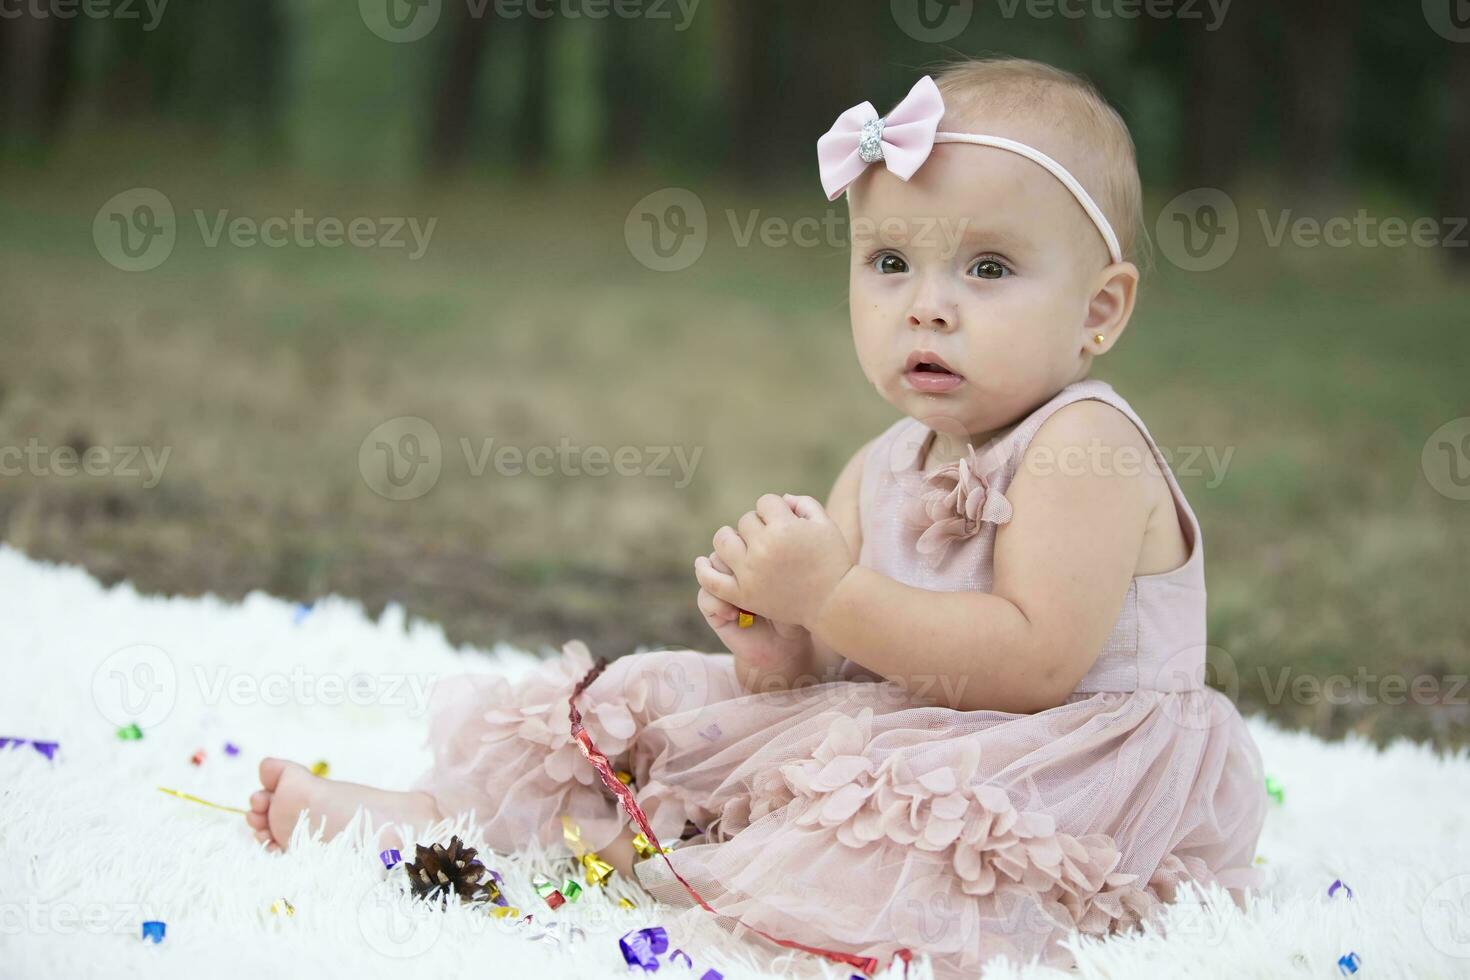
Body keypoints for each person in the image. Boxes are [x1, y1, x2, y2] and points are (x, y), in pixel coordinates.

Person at [246, 57, 1267, 977]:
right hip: (907, 724)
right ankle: (444, 820)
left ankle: (624, 858)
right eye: (890, 262)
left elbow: (1033, 663)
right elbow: (833, 668)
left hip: (1060, 770)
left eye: (988, 268)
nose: (928, 305)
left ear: (1101, 308)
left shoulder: (1084, 447)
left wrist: (833, 589)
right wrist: (780, 645)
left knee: (887, 844)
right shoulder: (884, 464)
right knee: (654, 703)